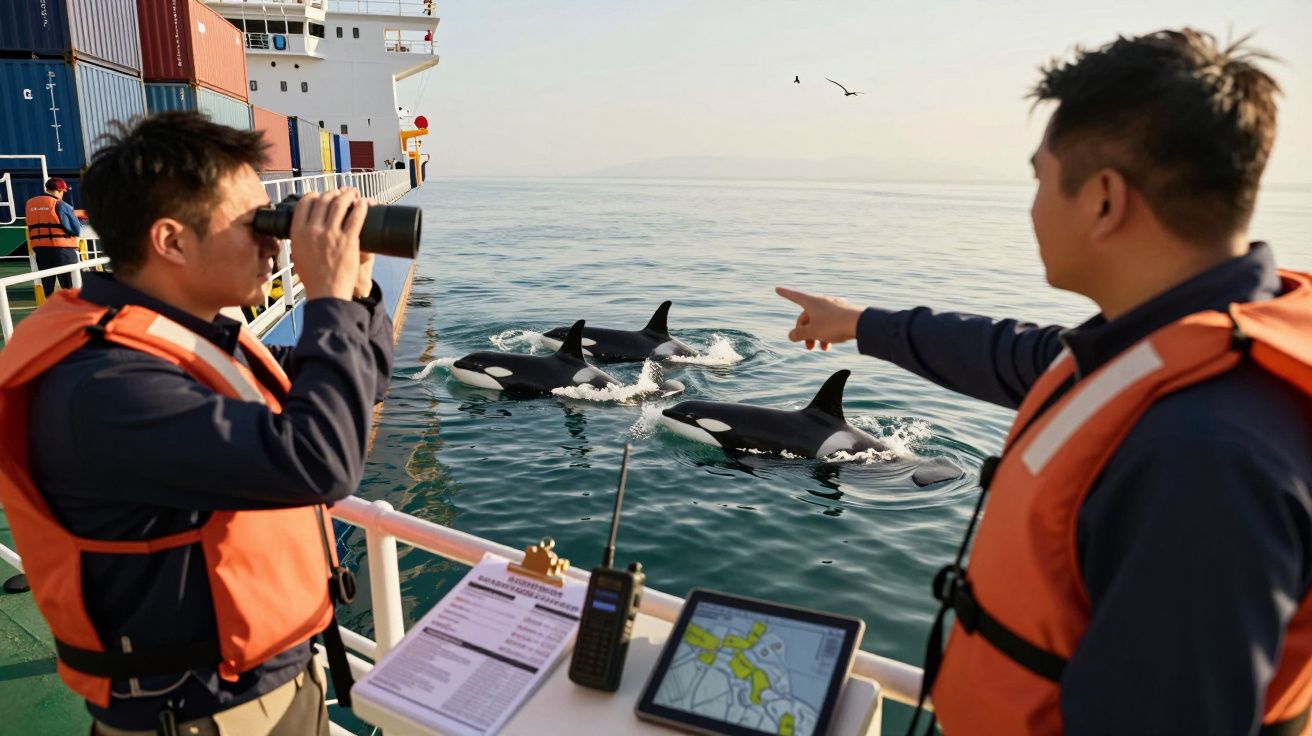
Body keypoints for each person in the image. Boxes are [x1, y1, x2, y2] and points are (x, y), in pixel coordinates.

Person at [777, 29, 1312, 735]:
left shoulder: (1207, 454)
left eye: (1037, 178)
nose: (1030, 206)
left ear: (1102, 200)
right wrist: (861, 323)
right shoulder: (1167, 344)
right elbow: (1014, 353)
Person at [0, 112, 395, 734]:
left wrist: (360, 290)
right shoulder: (103, 384)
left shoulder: (198, 343)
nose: (275, 243)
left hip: (278, 683)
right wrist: (325, 298)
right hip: (198, 715)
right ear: (172, 240)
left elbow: (357, 386)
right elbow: (324, 463)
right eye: (257, 224)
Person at [25, 177, 83, 295]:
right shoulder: (61, 204)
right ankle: (73, 312)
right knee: (71, 287)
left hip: (40, 251)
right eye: (63, 192)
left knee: (48, 289)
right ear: (60, 190)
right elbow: (76, 229)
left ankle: (51, 311)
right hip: (63, 250)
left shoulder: (30, 204)